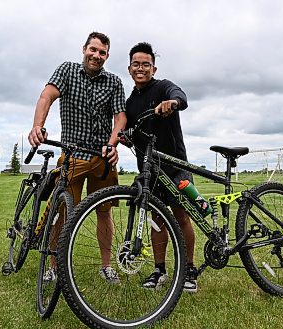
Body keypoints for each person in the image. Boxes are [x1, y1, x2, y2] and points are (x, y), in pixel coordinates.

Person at [28, 32, 127, 283]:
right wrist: (37, 125)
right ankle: (54, 266)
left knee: (104, 212)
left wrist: (112, 143)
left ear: (107, 55)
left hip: (101, 158)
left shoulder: (114, 82)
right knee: (63, 212)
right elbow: (46, 96)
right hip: (73, 155)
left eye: (102, 52)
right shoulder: (67, 70)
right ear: (84, 49)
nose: (96, 55)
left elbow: (120, 118)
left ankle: (105, 266)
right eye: (93, 50)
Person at [124, 42, 198, 292]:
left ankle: (189, 269)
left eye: (146, 64)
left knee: (181, 216)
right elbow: (131, 132)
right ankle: (159, 270)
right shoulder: (130, 102)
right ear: (129, 68)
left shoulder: (164, 86)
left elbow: (181, 97)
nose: (141, 68)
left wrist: (172, 103)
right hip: (150, 171)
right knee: (157, 218)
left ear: (153, 68)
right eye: (136, 64)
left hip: (174, 165)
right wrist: (125, 137)